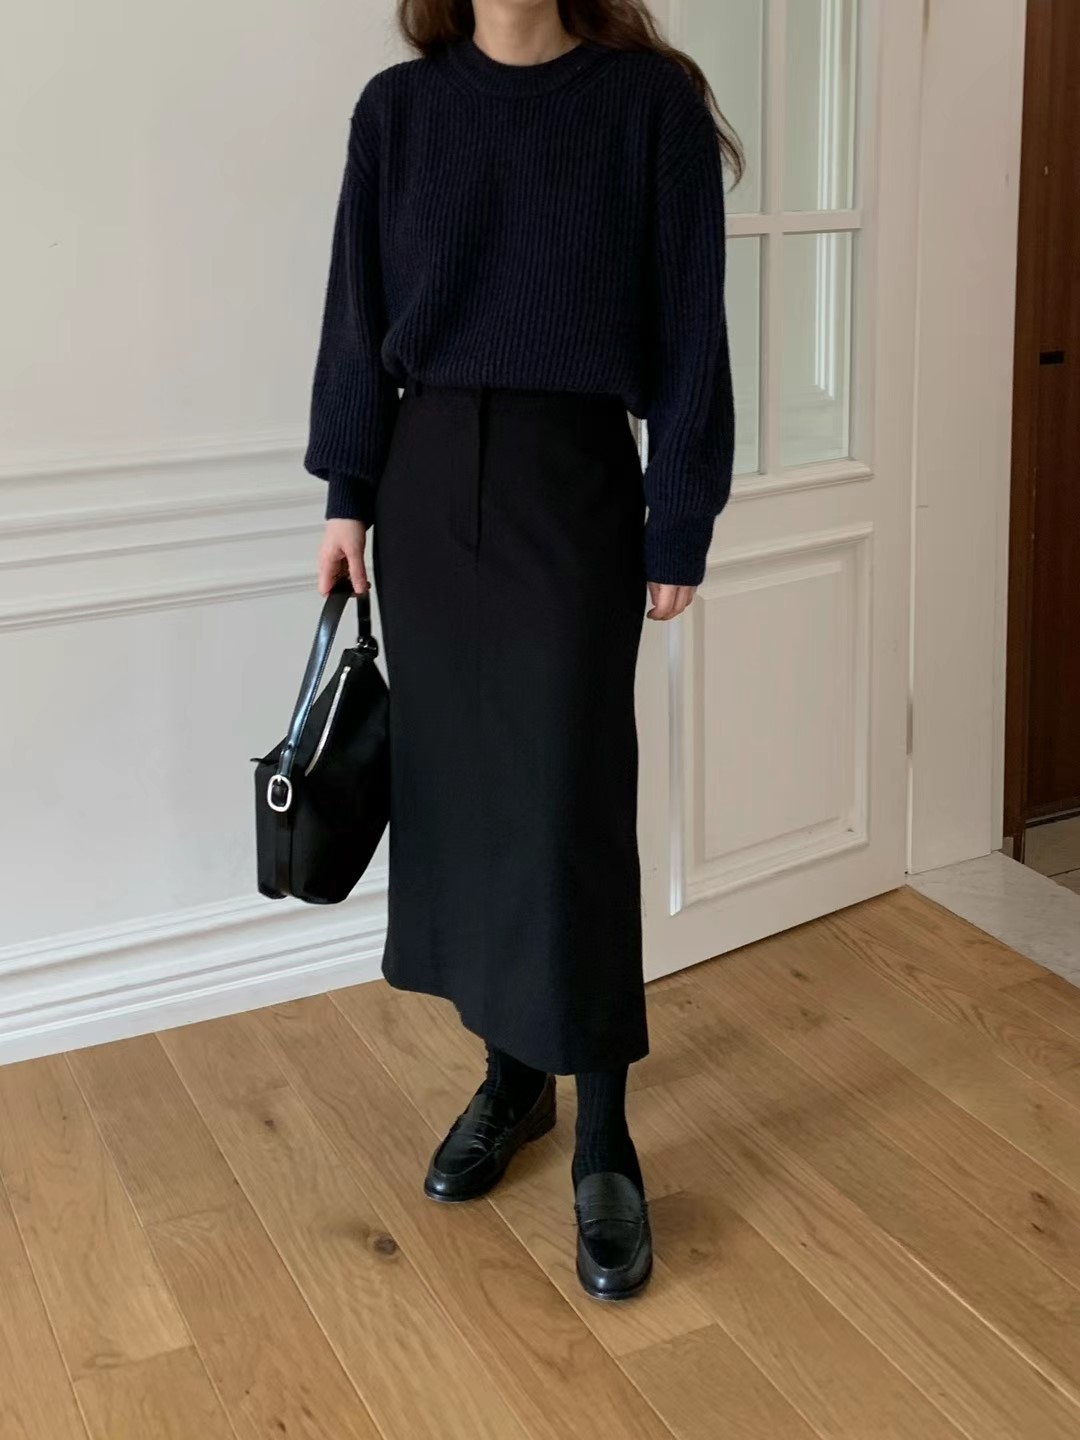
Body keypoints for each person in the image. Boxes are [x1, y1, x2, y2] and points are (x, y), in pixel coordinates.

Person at [305, 0, 739, 1301]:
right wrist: (347, 498)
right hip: (429, 482)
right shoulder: (399, 113)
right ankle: (512, 1082)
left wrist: (680, 515)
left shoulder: (647, 108)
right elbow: (354, 313)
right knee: (465, 802)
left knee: (567, 806)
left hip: (574, 485)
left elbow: (691, 325)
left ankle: (604, 1134)